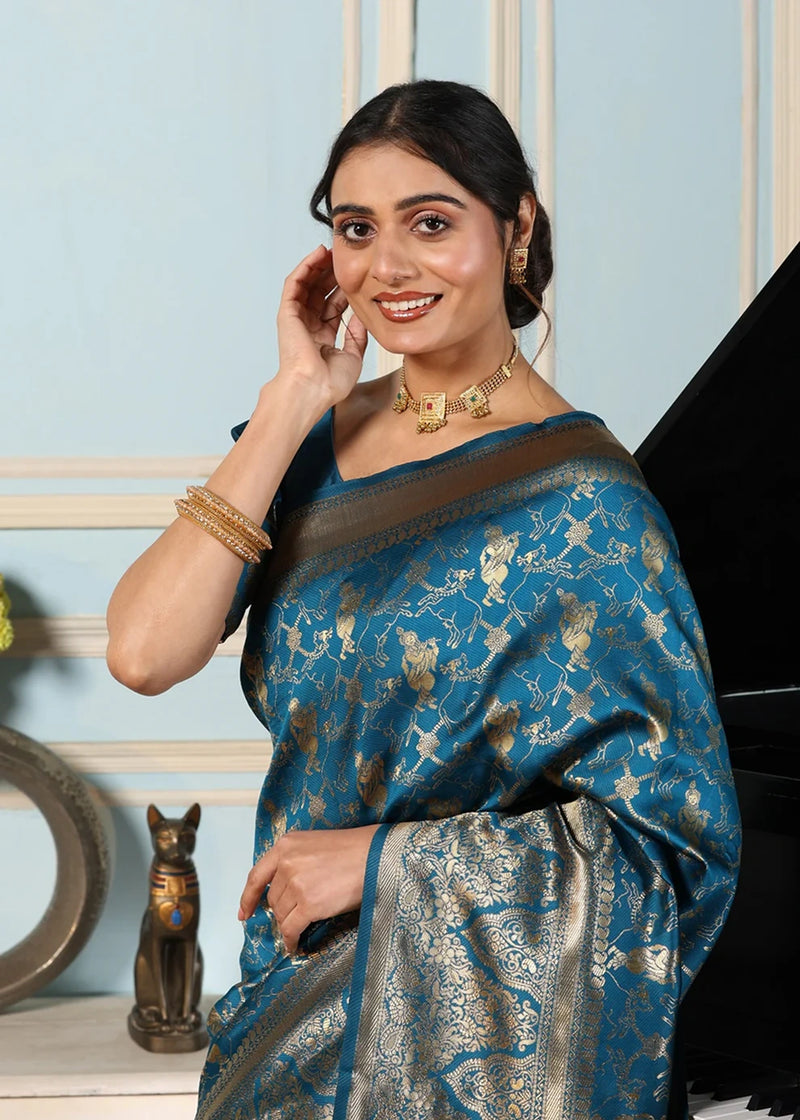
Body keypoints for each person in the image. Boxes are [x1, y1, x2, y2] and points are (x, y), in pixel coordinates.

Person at [107, 80, 740, 1119]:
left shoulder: (587, 503)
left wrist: (386, 864)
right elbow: (141, 652)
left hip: (475, 1065)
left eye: (430, 223)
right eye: (356, 230)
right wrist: (289, 404)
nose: (386, 268)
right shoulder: (305, 452)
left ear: (515, 226)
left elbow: (667, 840)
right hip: (284, 1014)